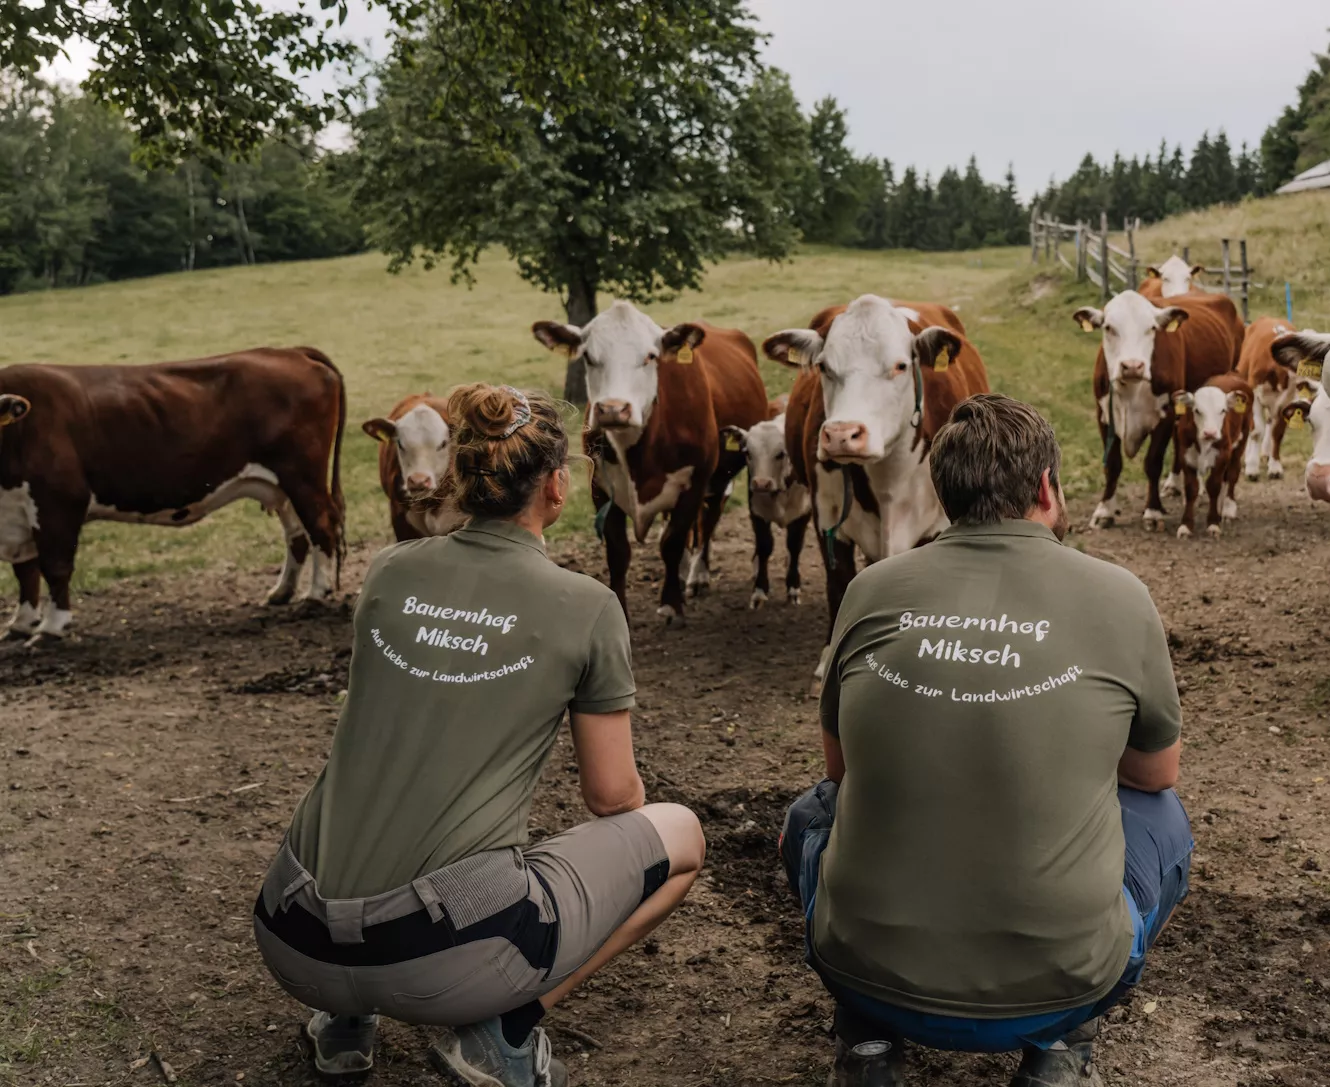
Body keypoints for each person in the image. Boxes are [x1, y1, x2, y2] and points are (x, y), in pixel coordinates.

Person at [253, 384, 705, 1087]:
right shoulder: (587, 606)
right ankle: (506, 1032)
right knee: (680, 836)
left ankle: (343, 1021)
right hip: (443, 957)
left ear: (461, 476)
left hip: (292, 935)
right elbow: (612, 798)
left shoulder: (387, 571)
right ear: (558, 486)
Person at [780, 394, 1193, 1087]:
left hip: (865, 971)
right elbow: (1154, 773)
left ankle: (868, 1041)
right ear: (1047, 488)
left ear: (944, 492)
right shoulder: (1120, 595)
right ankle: (1062, 1045)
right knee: (1166, 820)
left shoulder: (871, 588)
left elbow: (841, 768)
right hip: (1062, 980)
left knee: (809, 813)